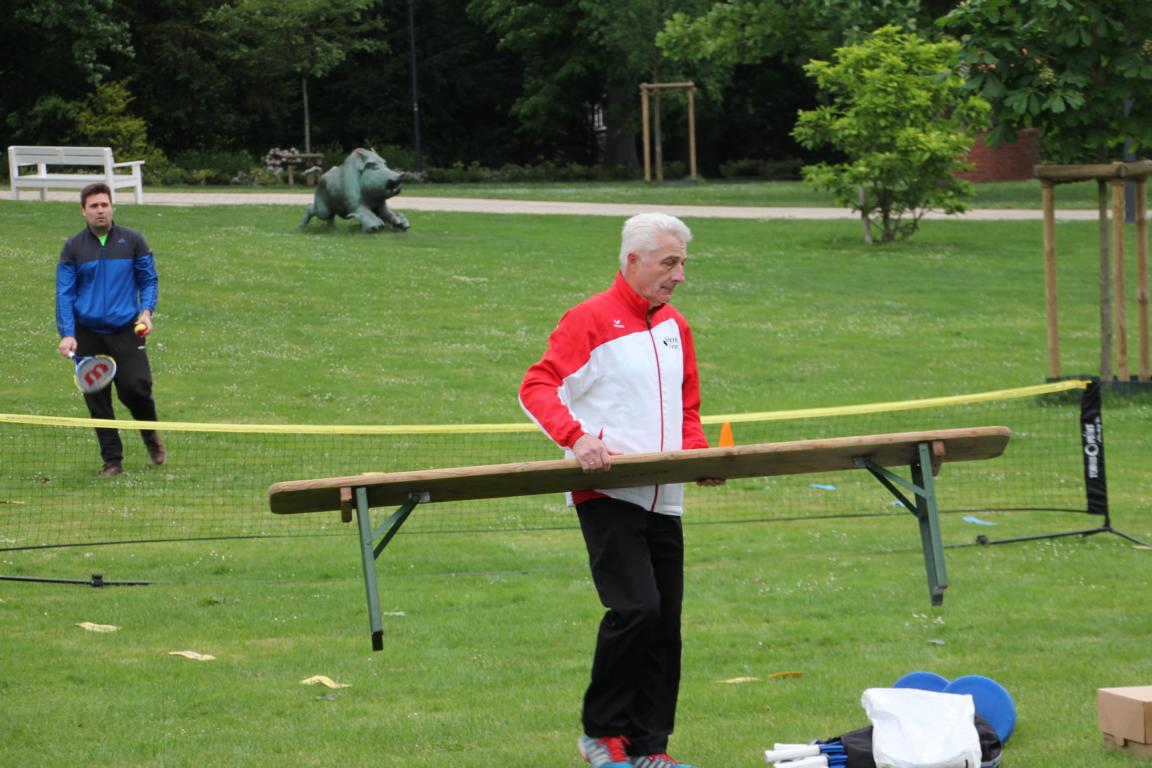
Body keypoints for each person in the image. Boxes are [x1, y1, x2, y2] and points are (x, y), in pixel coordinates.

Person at [519, 212, 723, 768]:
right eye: (669, 263)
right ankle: (600, 734)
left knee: (664, 624)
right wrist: (576, 437)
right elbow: (538, 385)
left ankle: (651, 749)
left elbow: (687, 408)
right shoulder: (589, 318)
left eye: (682, 263)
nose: (679, 275)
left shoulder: (676, 327)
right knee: (636, 609)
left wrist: (698, 456)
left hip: (666, 498)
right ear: (633, 260)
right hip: (607, 492)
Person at [56, 182, 165, 476]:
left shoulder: (133, 241)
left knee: (136, 388)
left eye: (104, 204)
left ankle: (150, 436)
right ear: (84, 211)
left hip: (126, 329)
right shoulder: (73, 247)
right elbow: (64, 293)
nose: (100, 211)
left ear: (112, 207)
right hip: (87, 332)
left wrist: (146, 312)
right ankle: (112, 461)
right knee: (97, 398)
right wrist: (68, 333)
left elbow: (148, 280)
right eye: (94, 206)